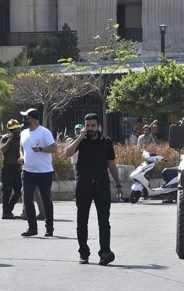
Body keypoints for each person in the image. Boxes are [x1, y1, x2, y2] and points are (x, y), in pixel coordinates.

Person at [65, 113, 123, 265]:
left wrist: (118, 184)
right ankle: (83, 253)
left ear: (98, 126)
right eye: (87, 126)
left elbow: (111, 164)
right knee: (81, 221)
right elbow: (67, 153)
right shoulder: (80, 142)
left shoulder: (106, 142)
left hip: (102, 186)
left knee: (104, 221)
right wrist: (79, 137)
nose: (90, 128)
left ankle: (105, 253)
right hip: (83, 187)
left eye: (93, 125)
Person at [18, 108, 57, 237]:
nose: (25, 120)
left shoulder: (44, 132)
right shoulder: (23, 133)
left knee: (46, 199)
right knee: (27, 198)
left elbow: (54, 148)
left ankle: (49, 228)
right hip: (28, 172)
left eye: (26, 118)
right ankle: (32, 228)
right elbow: (21, 148)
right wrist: (22, 157)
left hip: (44, 172)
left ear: (33, 119)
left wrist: (40, 148)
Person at [0, 119, 23, 219]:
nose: (16, 131)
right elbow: (2, 150)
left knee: (18, 191)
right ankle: (5, 213)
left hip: (17, 168)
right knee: (7, 191)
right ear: (9, 130)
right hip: (8, 168)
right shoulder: (4, 138)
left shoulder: (22, 138)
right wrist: (10, 139)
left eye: (17, 129)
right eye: (13, 129)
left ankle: (9, 209)